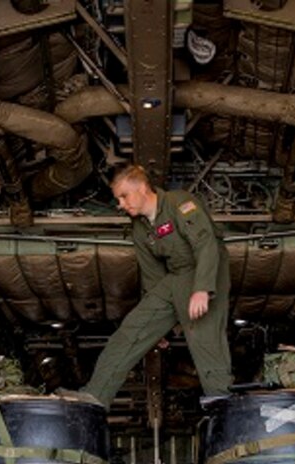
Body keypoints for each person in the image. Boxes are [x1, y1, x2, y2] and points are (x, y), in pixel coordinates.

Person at [82, 164, 231, 407]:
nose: (120, 204)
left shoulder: (179, 203)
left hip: (205, 270)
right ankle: (95, 395)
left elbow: (206, 244)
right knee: (133, 330)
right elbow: (151, 275)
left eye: (123, 196)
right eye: (118, 199)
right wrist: (157, 327)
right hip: (174, 278)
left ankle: (222, 405)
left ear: (142, 188)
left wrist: (202, 288)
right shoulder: (140, 228)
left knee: (204, 337)